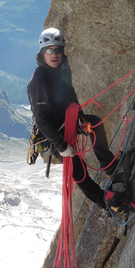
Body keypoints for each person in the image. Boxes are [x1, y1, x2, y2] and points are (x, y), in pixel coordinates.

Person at [27, 27, 117, 208]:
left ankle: (109, 165)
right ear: (42, 53)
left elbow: (70, 92)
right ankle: (104, 200)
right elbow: (41, 119)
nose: (54, 54)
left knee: (95, 123)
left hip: (69, 119)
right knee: (76, 166)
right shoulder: (39, 78)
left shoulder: (63, 67)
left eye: (57, 49)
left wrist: (80, 117)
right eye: (49, 50)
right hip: (53, 131)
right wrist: (61, 146)